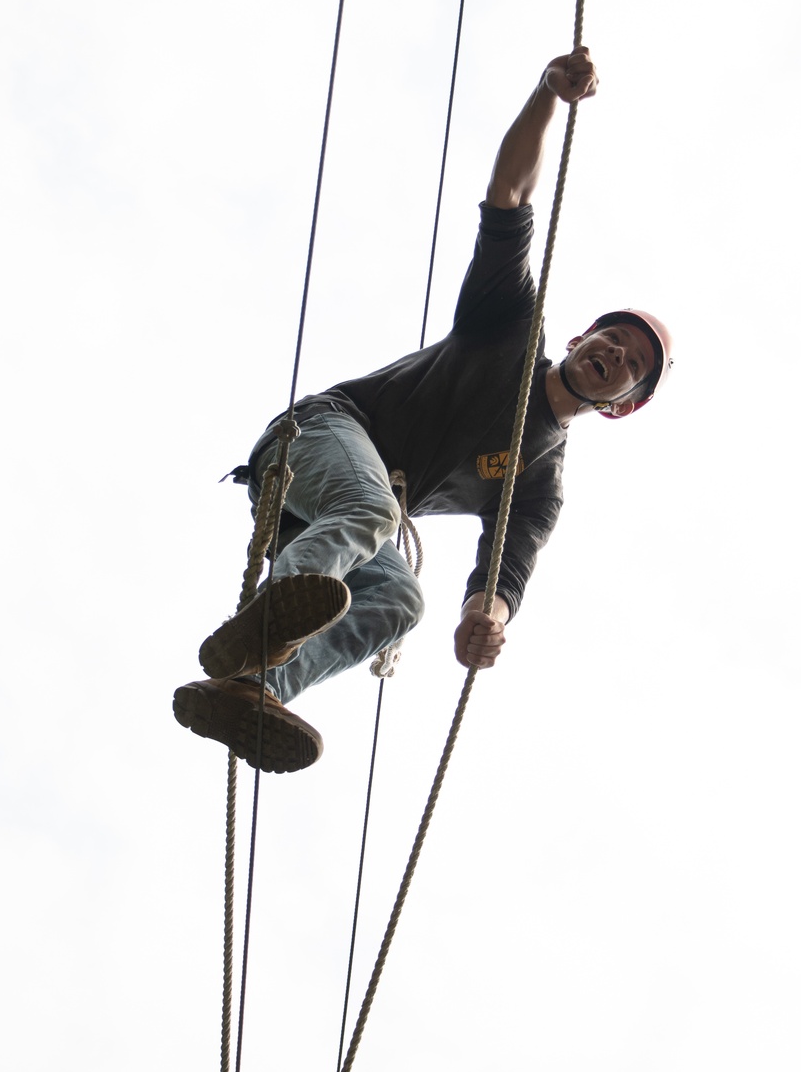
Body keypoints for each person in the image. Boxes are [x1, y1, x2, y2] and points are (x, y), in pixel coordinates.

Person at [173, 47, 671, 773]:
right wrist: (545, 95)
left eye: (631, 364)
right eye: (613, 337)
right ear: (580, 336)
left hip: (322, 523)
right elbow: (509, 194)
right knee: (373, 512)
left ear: (622, 407)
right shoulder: (510, 327)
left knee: (401, 602)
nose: (617, 353)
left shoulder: (537, 481)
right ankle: (263, 629)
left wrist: (486, 622)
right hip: (317, 438)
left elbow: (504, 578)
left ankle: (250, 687)